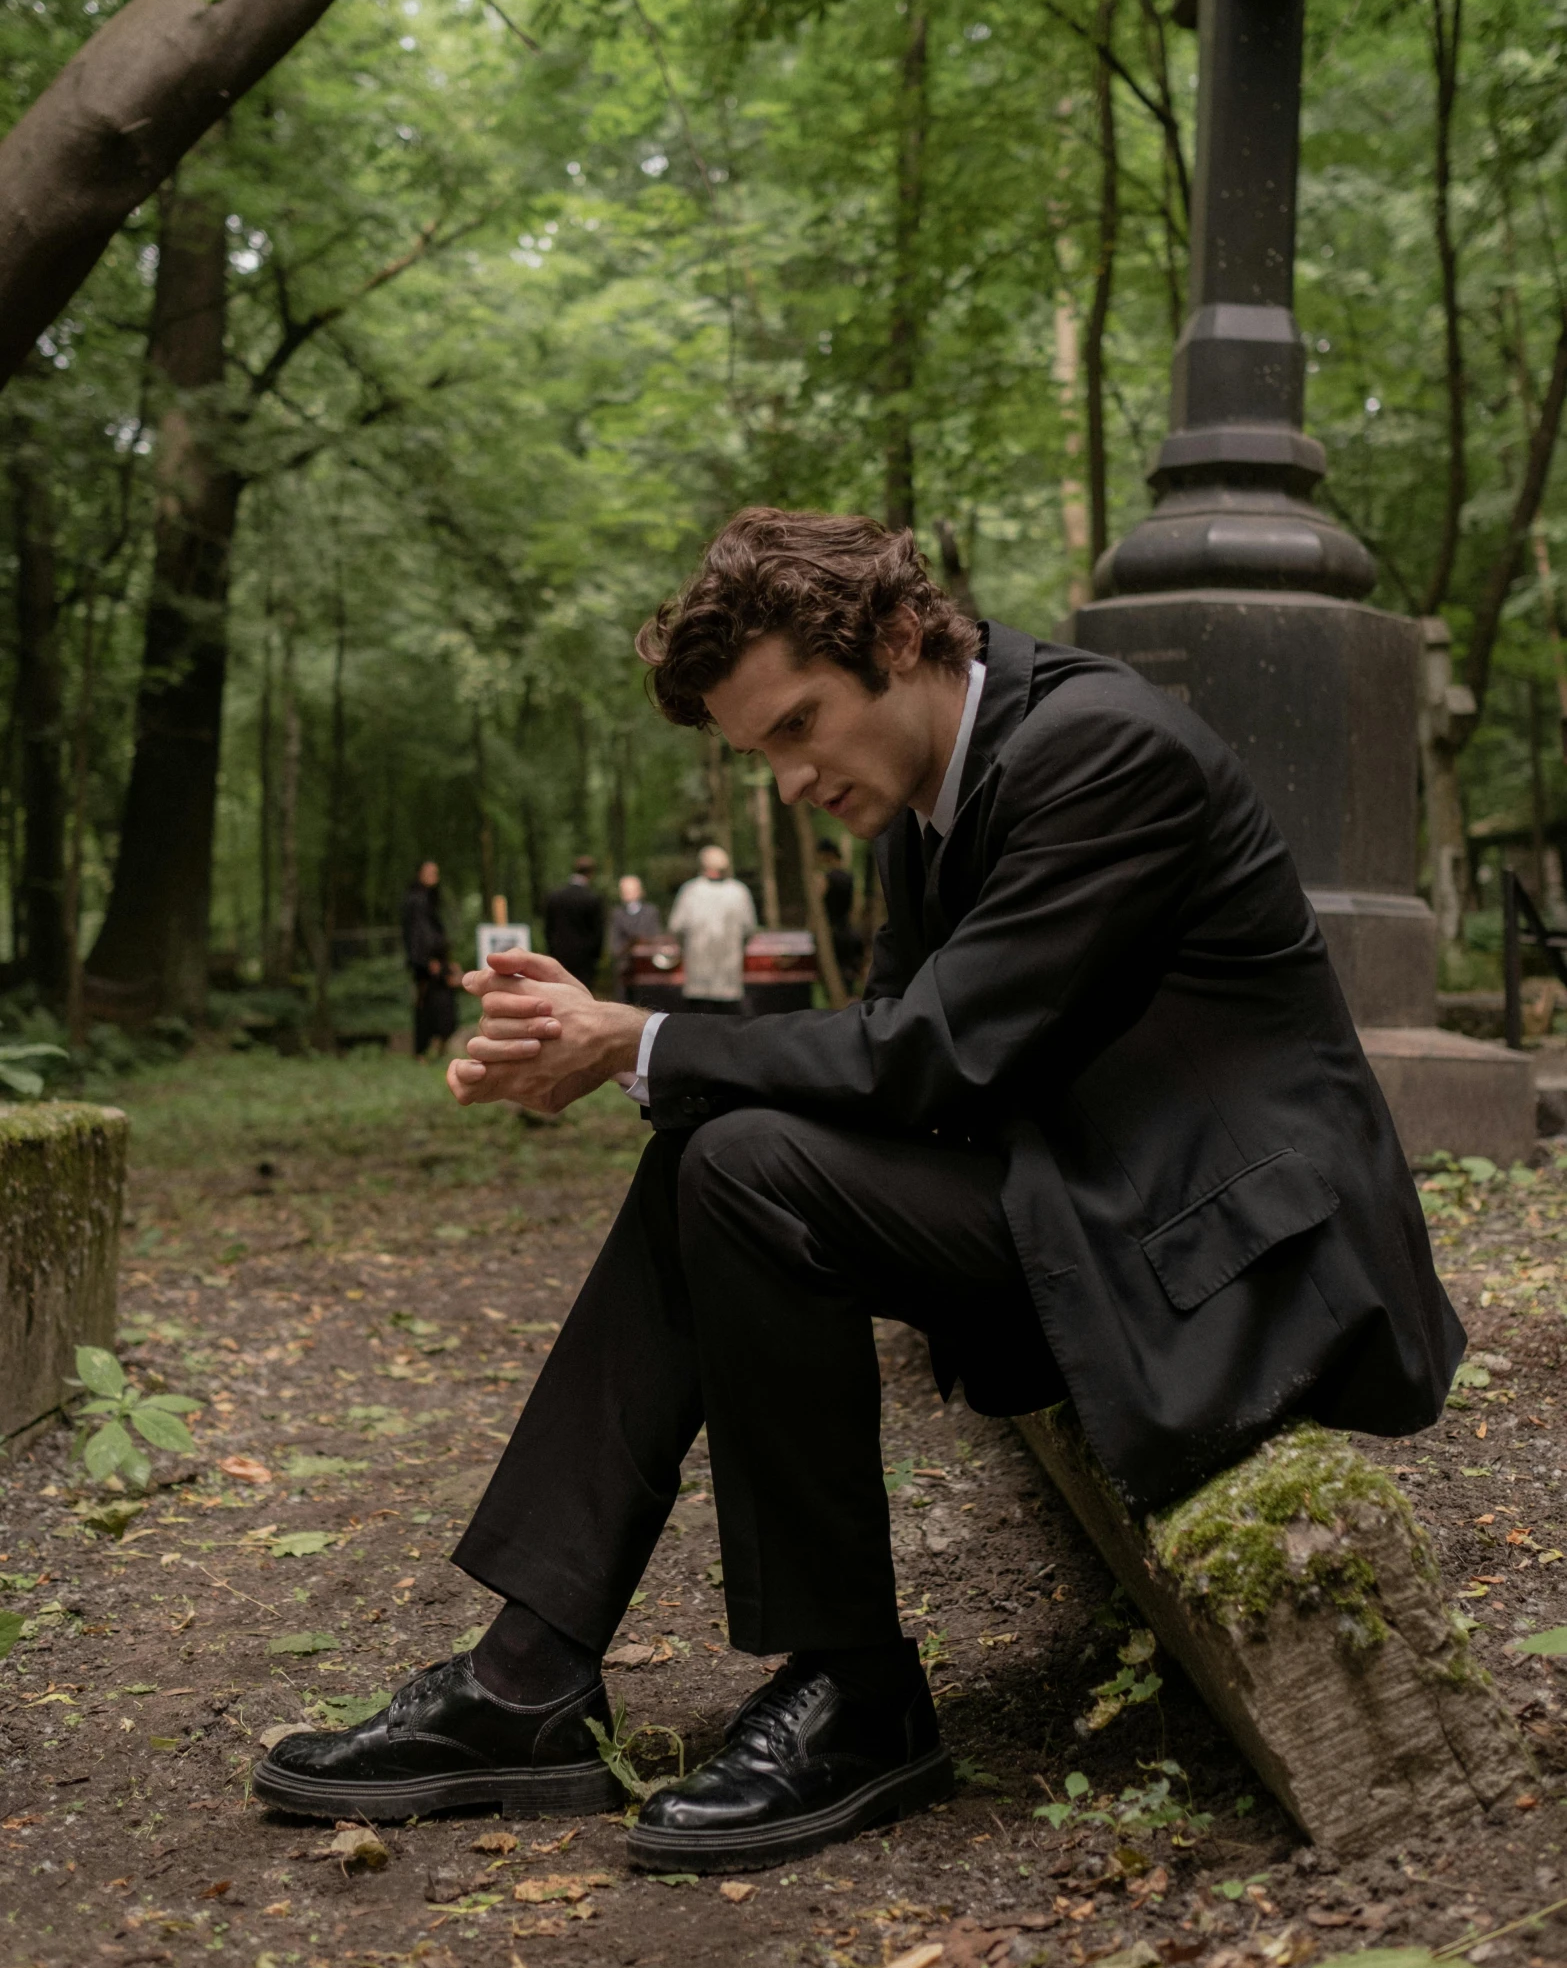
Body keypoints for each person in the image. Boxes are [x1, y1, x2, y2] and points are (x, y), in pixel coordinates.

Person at [256, 507, 1462, 1879]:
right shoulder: (925, 805)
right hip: (1089, 1205)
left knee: (747, 1163)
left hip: (1236, 1261)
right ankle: (532, 1670)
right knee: (721, 1155)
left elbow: (931, 1051)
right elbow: (893, 1068)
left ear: (898, 637)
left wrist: (637, 1040)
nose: (785, 776)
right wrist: (605, 1048)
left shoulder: (1096, 748)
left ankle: (848, 1687)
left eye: (795, 725)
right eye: (757, 748)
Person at [667, 845, 757, 1015]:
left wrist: (686, 949)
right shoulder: (739, 892)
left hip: (698, 978)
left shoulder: (690, 891)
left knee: (699, 1027)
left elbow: (676, 927)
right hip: (729, 978)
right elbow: (749, 929)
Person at [400, 860, 456, 1061]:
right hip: (426, 966)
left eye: (436, 872)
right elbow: (417, 935)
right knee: (427, 1009)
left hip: (437, 964)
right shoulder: (416, 900)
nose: (434, 876)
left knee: (443, 1008)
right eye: (430, 872)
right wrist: (426, 961)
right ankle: (421, 1053)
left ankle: (434, 1050)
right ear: (420, 874)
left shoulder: (429, 899)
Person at [542, 856, 605, 991]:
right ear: (591, 873)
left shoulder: (554, 896)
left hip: (559, 955)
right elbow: (598, 932)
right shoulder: (592, 898)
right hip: (585, 959)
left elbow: (548, 928)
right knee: (583, 993)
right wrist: (596, 957)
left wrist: (551, 949)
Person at [815, 834, 863, 990]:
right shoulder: (849, 877)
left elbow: (819, 903)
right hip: (847, 928)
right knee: (848, 970)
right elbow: (855, 905)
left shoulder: (826, 878)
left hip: (832, 930)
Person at [609, 874, 663, 1001]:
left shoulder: (651, 912)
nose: (628, 894)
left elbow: (656, 937)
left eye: (632, 890)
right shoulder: (616, 914)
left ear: (640, 891)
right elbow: (614, 943)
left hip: (647, 967)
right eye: (625, 891)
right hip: (625, 967)